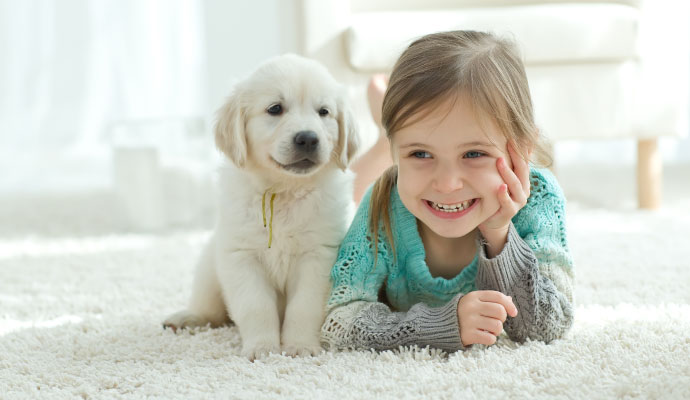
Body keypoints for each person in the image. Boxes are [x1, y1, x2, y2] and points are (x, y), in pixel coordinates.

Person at [321, 30, 574, 352]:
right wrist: (439, 325)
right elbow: (337, 321)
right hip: (389, 179)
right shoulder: (382, 203)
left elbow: (547, 328)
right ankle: (383, 140)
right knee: (345, 194)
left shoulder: (540, 197)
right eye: (420, 154)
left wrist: (499, 235)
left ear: (521, 150)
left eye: (473, 154)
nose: (447, 184)